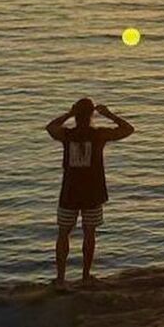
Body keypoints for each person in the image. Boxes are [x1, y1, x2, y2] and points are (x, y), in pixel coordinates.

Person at [45, 98, 135, 287]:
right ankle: (85, 276)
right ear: (92, 115)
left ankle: (61, 279)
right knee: (89, 234)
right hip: (93, 192)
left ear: (76, 115)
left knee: (63, 234)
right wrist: (108, 114)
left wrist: (68, 114)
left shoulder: (67, 134)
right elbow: (128, 129)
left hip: (69, 191)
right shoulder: (99, 135)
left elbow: (51, 127)